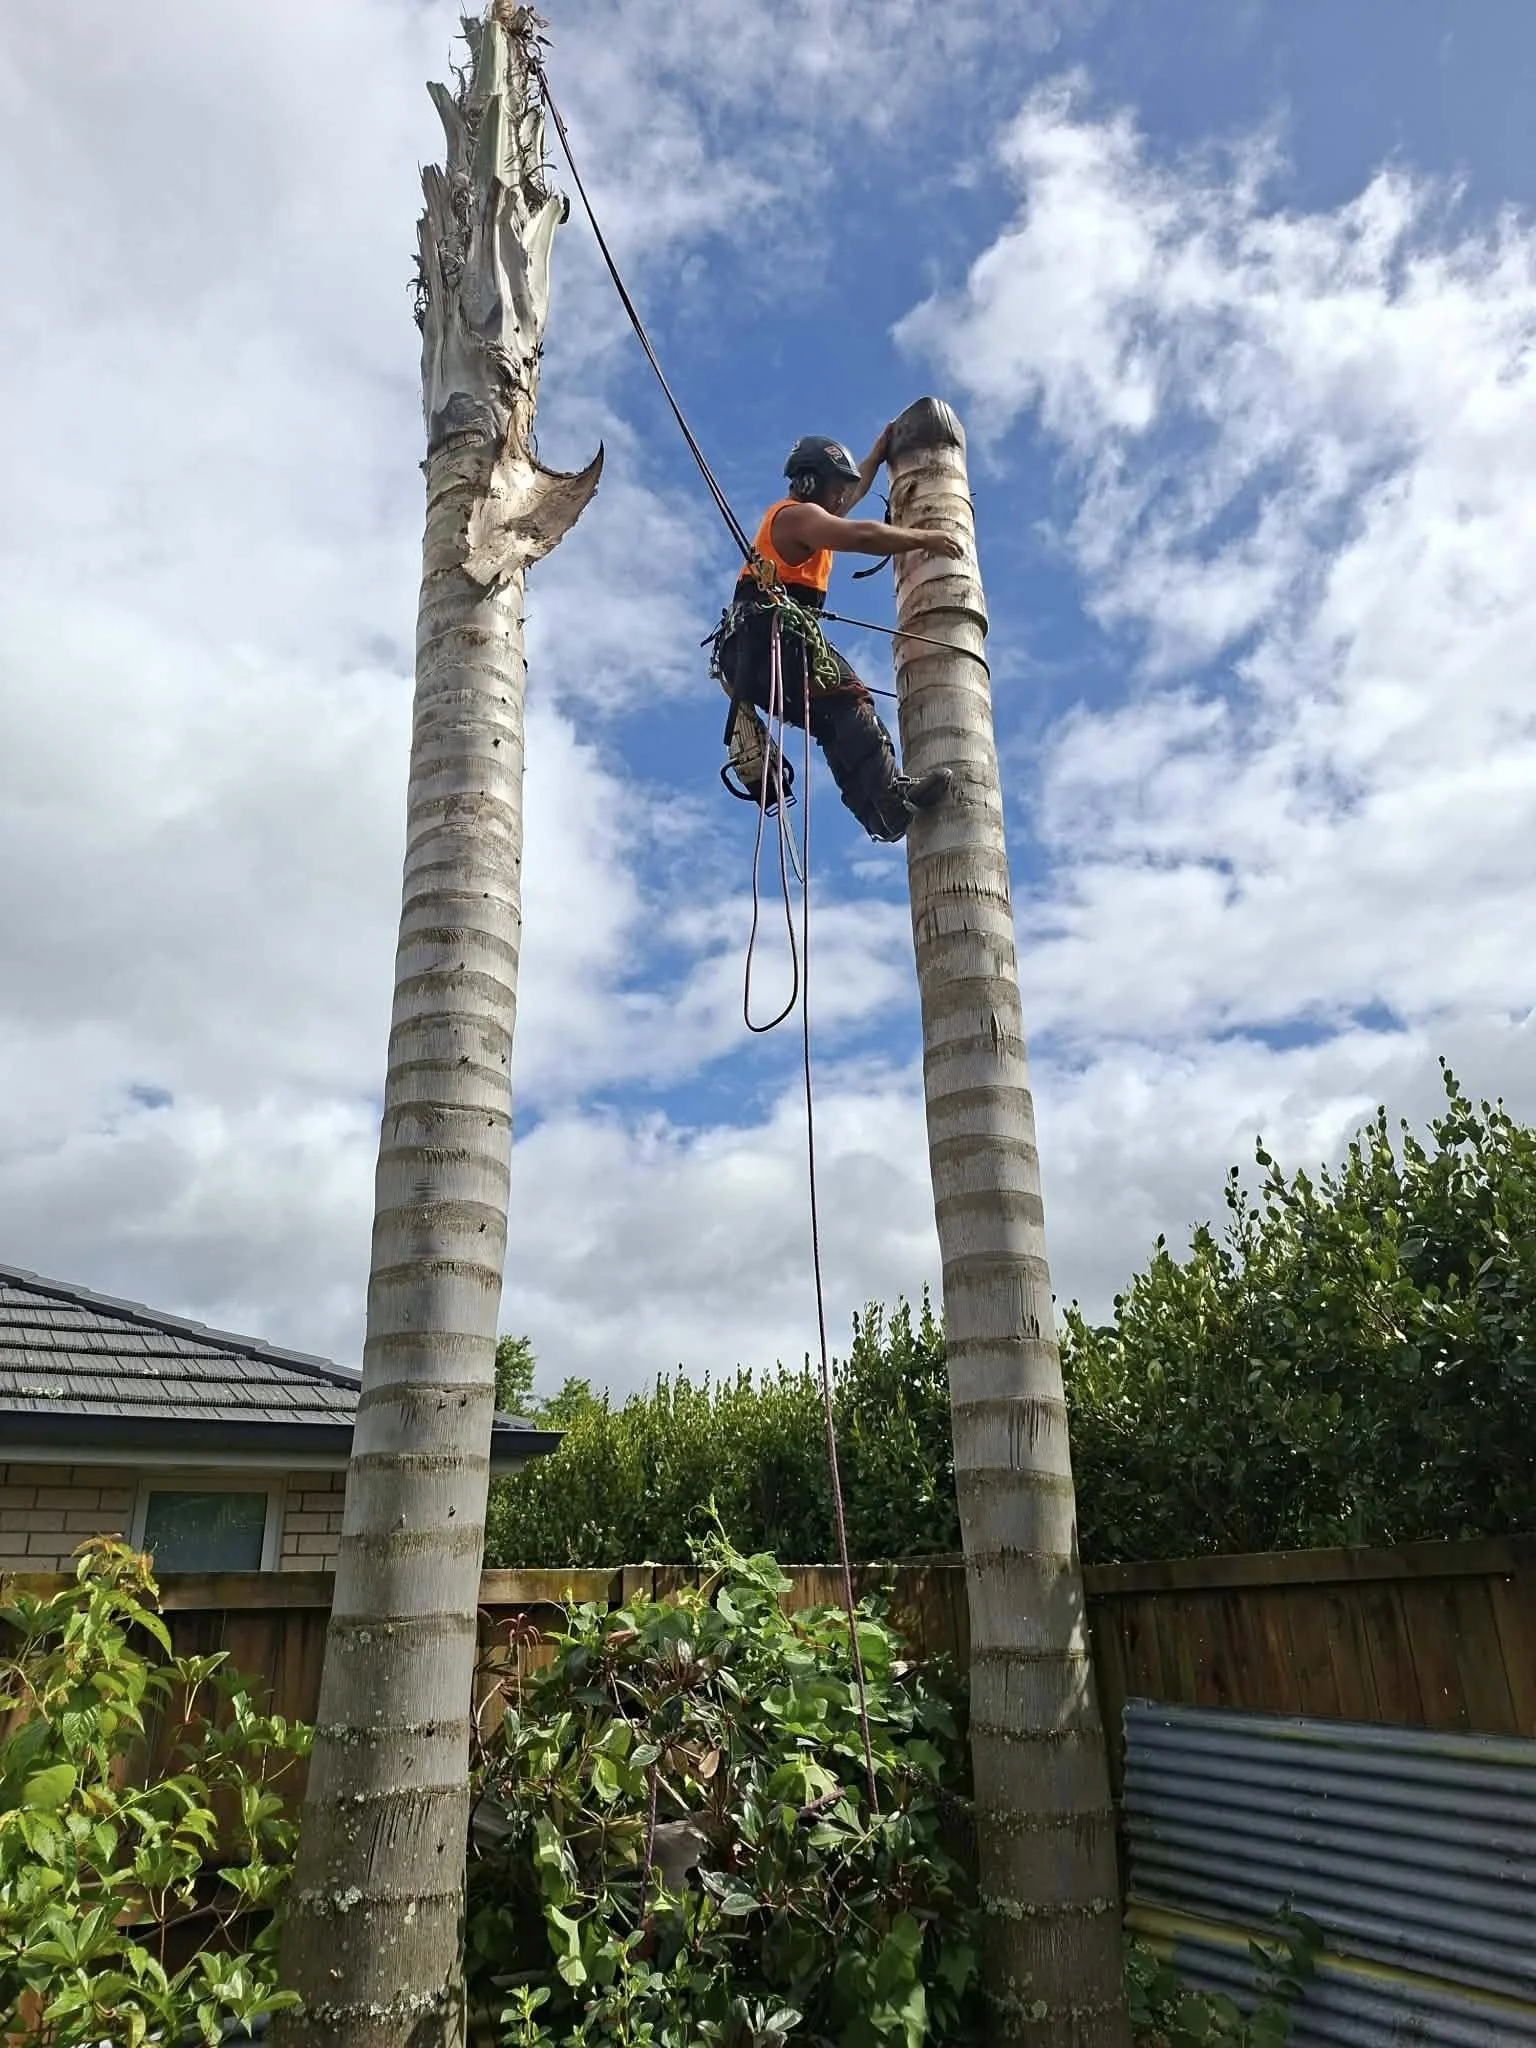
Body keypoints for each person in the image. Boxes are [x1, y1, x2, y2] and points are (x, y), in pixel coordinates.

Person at [713, 429, 963, 842]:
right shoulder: (795, 516)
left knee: (833, 722)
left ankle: (880, 816)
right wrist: (926, 539)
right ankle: (889, 796)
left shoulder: (811, 518)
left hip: (754, 653)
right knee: (850, 699)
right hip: (768, 640)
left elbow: (851, 498)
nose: (841, 498)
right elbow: (862, 535)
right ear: (811, 482)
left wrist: (877, 454)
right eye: (836, 487)